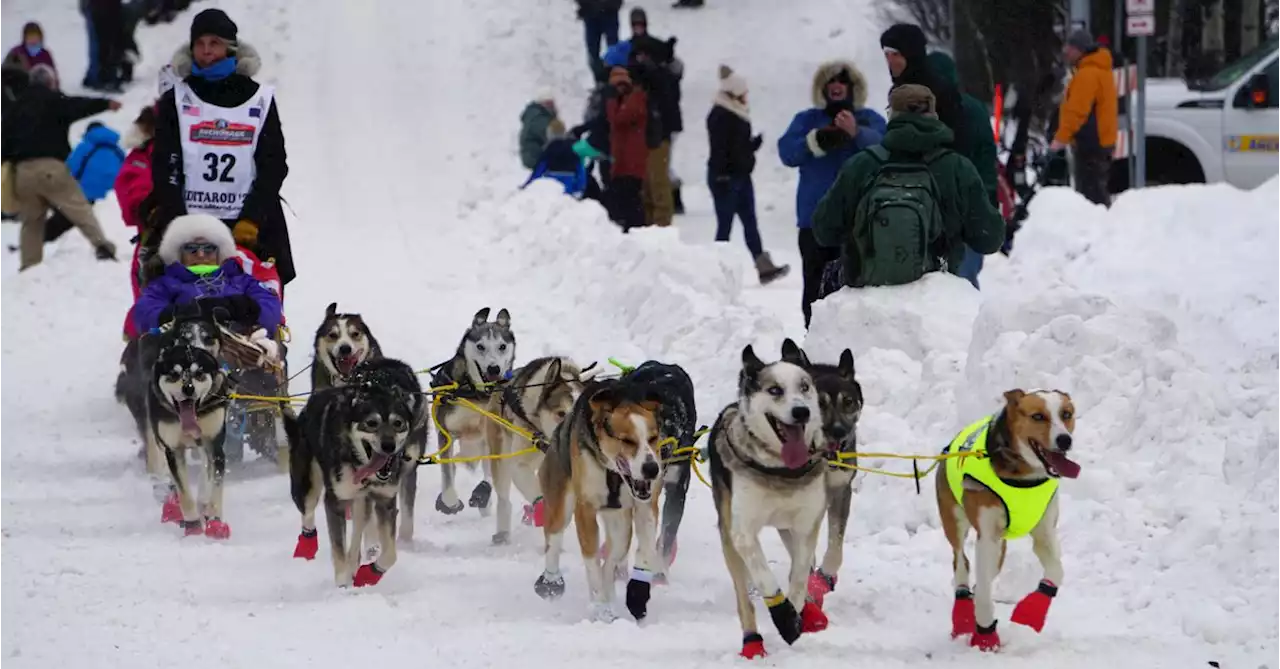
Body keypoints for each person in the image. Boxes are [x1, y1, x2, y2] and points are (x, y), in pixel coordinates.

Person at [810, 85, 1006, 292]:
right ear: (933, 115)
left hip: (869, 300)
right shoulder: (957, 168)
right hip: (937, 300)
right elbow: (990, 239)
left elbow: (824, 230)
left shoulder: (863, 165)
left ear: (891, 115)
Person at [151, 9, 295, 286]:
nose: (206, 51)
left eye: (214, 43)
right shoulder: (175, 99)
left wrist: (251, 218)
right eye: (200, 44)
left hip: (250, 224)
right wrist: (179, 222)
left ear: (229, 48)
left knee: (258, 311)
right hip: (190, 225)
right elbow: (165, 163)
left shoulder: (260, 99)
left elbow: (273, 163)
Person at [778, 60, 886, 328]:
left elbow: (886, 149)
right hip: (813, 221)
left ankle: (850, 346)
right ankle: (813, 341)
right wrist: (815, 141)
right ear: (823, 88)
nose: (836, 86)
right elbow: (787, 153)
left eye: (843, 81)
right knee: (814, 289)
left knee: (855, 288)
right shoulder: (807, 120)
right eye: (831, 82)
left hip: (857, 222)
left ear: (853, 88)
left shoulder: (868, 118)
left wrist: (856, 133)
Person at [0, 63, 119, 270]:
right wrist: (105, 103)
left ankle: (29, 266)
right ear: (51, 82)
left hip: (22, 174)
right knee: (78, 207)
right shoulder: (54, 99)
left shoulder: (16, 107)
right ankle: (102, 247)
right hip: (50, 169)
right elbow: (79, 104)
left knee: (32, 221)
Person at [132, 213, 282, 336]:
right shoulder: (165, 284)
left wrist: (243, 308)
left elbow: (271, 308)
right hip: (182, 348)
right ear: (179, 254)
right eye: (191, 249)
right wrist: (175, 314)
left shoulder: (241, 280)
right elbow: (144, 313)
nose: (201, 254)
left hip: (239, 349)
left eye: (209, 248)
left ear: (220, 252)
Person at [707, 66, 788, 284]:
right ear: (734, 92)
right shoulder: (721, 115)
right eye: (743, 91)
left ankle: (763, 267)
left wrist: (751, 146)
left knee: (750, 223)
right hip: (726, 178)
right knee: (725, 226)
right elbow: (721, 150)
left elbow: (735, 148)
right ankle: (714, 271)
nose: (746, 95)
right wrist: (723, 176)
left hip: (740, 176)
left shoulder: (733, 111)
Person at [927, 51, 1001, 289]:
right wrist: (988, 202)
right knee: (964, 279)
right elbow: (987, 160)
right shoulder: (975, 110)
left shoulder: (925, 112)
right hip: (970, 206)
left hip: (937, 209)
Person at [1050, 29, 1118, 207]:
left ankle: (1097, 230)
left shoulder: (1087, 74)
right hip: (1101, 141)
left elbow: (1077, 112)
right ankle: (1103, 226)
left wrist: (1060, 138)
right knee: (1098, 191)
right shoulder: (1100, 70)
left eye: (1070, 47)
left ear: (1080, 50)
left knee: (1090, 198)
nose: (1066, 50)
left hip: (1090, 142)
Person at [628, 7, 681, 228]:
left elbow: (671, 87)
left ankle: (662, 226)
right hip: (645, 129)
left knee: (658, 180)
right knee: (648, 183)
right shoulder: (631, 53)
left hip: (660, 129)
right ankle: (652, 225)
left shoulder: (659, 63)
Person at [880, 23, 965, 151]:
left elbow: (956, 141)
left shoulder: (942, 92)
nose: (889, 61)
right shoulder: (896, 92)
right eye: (886, 54)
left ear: (911, 56)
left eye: (895, 54)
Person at [605, 65, 648, 232]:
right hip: (623, 160)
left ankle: (637, 230)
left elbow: (618, 120)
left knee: (632, 200)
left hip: (631, 162)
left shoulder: (635, 99)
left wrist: (610, 102)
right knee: (625, 199)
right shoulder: (625, 100)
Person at [576, 0, 621, 82]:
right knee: (593, 54)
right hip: (591, 13)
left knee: (613, 51)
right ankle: (600, 82)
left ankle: (615, 81)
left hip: (609, 12)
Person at [519, 91, 560, 170]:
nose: (551, 106)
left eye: (551, 103)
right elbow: (550, 136)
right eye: (548, 103)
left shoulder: (536, 115)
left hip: (534, 154)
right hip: (535, 155)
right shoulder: (538, 117)